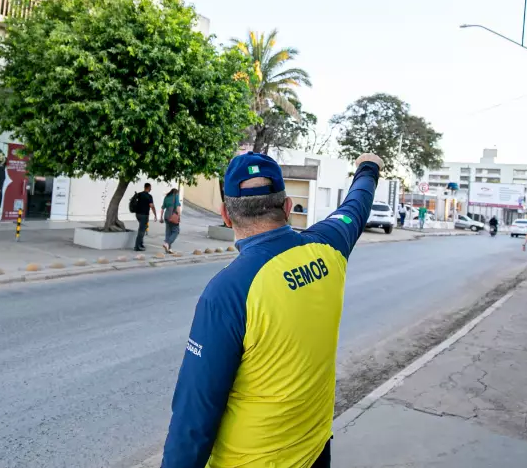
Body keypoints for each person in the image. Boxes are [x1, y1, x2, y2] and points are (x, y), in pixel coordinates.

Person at [161, 151, 383, 468]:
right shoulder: (327, 248)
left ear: (226, 214)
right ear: (288, 207)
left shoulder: (227, 291)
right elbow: (355, 207)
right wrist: (368, 169)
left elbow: (194, 417)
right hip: (315, 452)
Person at [134, 183, 157, 252]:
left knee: (142, 229)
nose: (151, 189)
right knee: (141, 231)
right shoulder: (149, 196)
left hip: (138, 214)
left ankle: (140, 244)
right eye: (150, 187)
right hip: (144, 215)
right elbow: (152, 206)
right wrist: (155, 214)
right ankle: (137, 246)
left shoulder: (139, 194)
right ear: (148, 187)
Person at [160, 188, 182, 253]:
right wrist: (179, 216)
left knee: (168, 232)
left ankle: (168, 249)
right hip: (173, 216)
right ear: (176, 192)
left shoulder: (166, 197)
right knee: (176, 231)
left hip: (166, 216)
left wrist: (161, 217)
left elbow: (162, 208)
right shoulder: (176, 196)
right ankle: (167, 243)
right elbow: (177, 207)